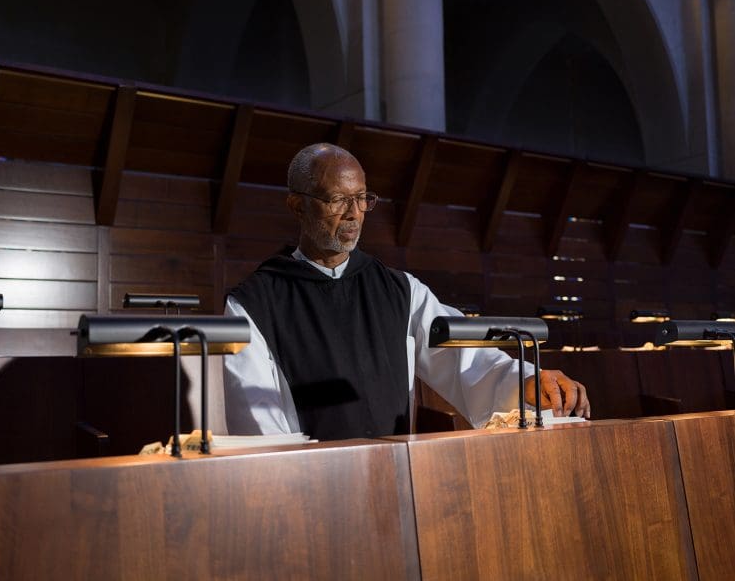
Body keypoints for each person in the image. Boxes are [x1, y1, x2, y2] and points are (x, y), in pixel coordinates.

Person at [223, 142, 590, 440]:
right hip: (312, 488)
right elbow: (256, 417)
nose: (354, 213)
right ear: (297, 206)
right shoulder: (254, 304)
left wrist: (524, 381)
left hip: (398, 476)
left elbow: (467, 360)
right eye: (337, 200)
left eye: (362, 198)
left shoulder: (399, 290)